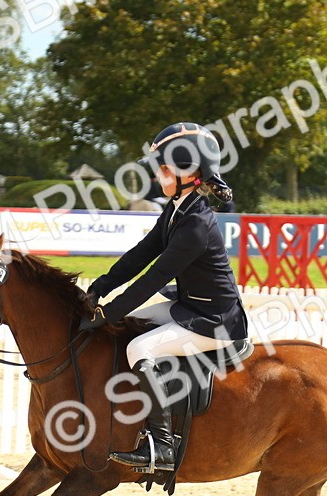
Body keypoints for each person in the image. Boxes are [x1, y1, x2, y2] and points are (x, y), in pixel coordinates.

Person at [79, 122, 247, 474]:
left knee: (140, 348)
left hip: (215, 321)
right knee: (131, 326)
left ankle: (162, 446)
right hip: (190, 307)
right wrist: (101, 286)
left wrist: (108, 313)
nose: (158, 176)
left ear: (190, 173)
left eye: (165, 169)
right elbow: (141, 254)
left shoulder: (196, 224)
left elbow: (155, 276)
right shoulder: (177, 210)